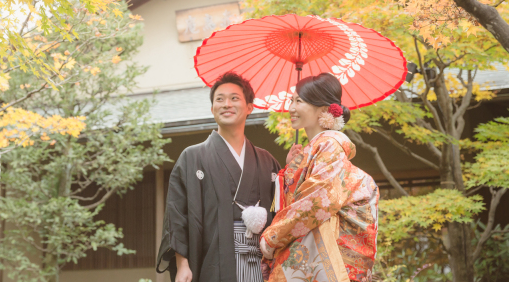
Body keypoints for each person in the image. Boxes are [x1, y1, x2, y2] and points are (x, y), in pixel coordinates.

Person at [156, 72, 282, 282]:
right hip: (213, 262)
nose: (226, 104)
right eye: (219, 99)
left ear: (250, 107)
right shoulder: (192, 157)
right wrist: (182, 264)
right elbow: (177, 215)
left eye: (234, 98)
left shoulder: (266, 160)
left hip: (262, 265)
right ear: (212, 108)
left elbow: (284, 212)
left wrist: (293, 171)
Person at [260, 73, 379, 282]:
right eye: (291, 100)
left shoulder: (329, 145)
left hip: (329, 252)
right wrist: (292, 168)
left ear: (324, 110)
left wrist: (273, 237)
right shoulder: (315, 148)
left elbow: (317, 202)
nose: (291, 108)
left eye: (299, 101)